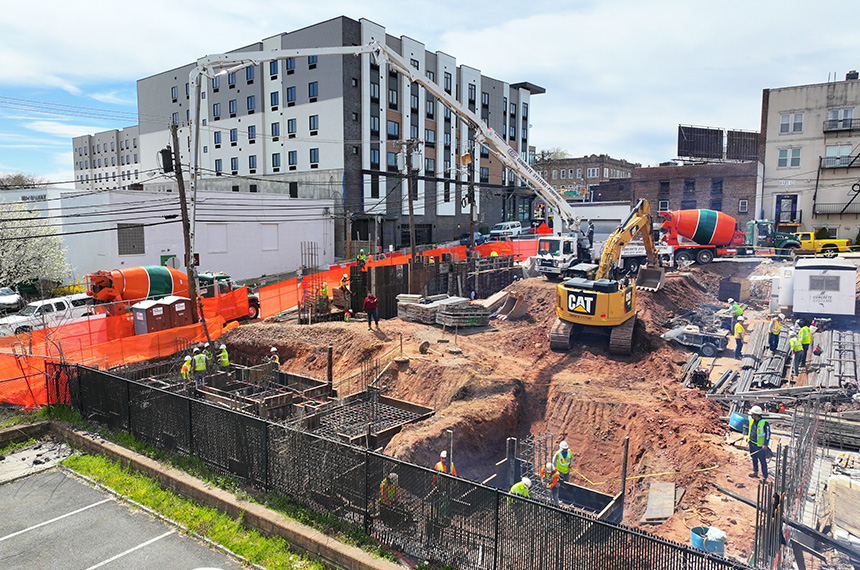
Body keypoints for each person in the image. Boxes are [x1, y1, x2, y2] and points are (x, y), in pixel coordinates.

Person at [747, 405, 771, 479]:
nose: (751, 415)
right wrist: (748, 439)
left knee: (762, 461)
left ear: (756, 415)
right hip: (752, 443)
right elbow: (750, 430)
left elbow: (768, 434)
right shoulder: (752, 420)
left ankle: (764, 475)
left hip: (760, 446)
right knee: (754, 458)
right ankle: (755, 471)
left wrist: (765, 444)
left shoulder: (764, 423)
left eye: (752, 414)